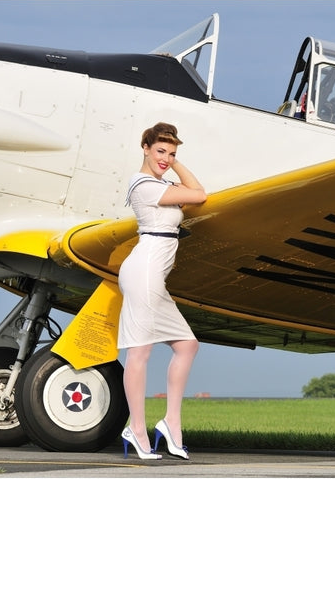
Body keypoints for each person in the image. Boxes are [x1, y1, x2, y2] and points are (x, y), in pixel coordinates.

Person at [117, 122, 207, 460]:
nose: (166, 158)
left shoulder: (162, 183)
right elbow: (199, 195)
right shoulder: (143, 185)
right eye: (160, 151)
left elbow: (195, 190)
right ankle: (137, 429)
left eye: (172, 153)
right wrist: (171, 168)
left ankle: (171, 423)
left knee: (187, 345)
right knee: (139, 354)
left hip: (154, 276)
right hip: (144, 273)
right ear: (145, 148)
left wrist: (173, 163)